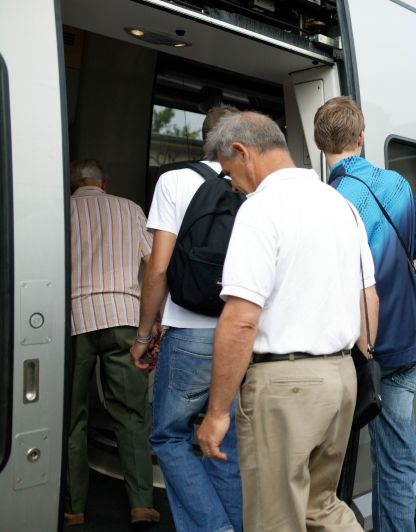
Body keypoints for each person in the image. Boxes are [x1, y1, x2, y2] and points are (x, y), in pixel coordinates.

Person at [196, 111, 377, 532]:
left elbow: (241, 319)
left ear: (243, 153)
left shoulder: (261, 209)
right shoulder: (341, 205)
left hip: (285, 387)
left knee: (275, 520)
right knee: (322, 508)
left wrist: (217, 412)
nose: (234, 184)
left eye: (229, 173)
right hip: (340, 378)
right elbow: (369, 295)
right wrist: (355, 363)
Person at [313, 96, 416, 530]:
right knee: (397, 458)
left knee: (323, 464)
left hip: (352, 349)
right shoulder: (398, 186)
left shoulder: (326, 199)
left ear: (318, 142)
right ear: (361, 137)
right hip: (403, 342)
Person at [129, 104, 243, 532]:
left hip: (189, 330)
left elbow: (158, 268)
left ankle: (217, 527)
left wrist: (144, 333)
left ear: (204, 138)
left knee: (168, 437)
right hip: (238, 333)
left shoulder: (175, 181)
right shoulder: (251, 187)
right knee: (223, 442)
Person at [65, 159, 159, 526]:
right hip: (122, 316)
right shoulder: (129, 208)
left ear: (74, 184)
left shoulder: (62, 211)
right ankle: (141, 505)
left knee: (72, 420)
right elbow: (155, 265)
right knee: (131, 415)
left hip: (74, 321)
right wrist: (152, 325)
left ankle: (74, 510)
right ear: (103, 183)